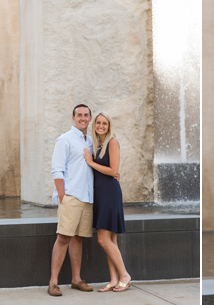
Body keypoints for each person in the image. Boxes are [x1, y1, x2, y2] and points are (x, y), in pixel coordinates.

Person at [48, 104, 95, 296]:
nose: (83, 118)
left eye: (86, 115)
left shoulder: (90, 141)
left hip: (86, 198)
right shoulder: (64, 140)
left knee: (78, 238)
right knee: (64, 238)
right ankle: (53, 282)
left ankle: (76, 279)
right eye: (79, 115)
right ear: (73, 118)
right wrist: (62, 196)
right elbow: (56, 169)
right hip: (71, 196)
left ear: (90, 118)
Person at [83, 112, 131, 292]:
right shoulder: (97, 144)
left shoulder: (112, 142)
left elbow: (113, 170)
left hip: (110, 195)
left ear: (109, 126)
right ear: (94, 124)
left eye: (104, 123)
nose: (101, 126)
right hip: (100, 195)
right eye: (98, 123)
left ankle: (125, 275)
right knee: (111, 240)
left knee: (103, 240)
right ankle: (113, 279)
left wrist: (91, 162)